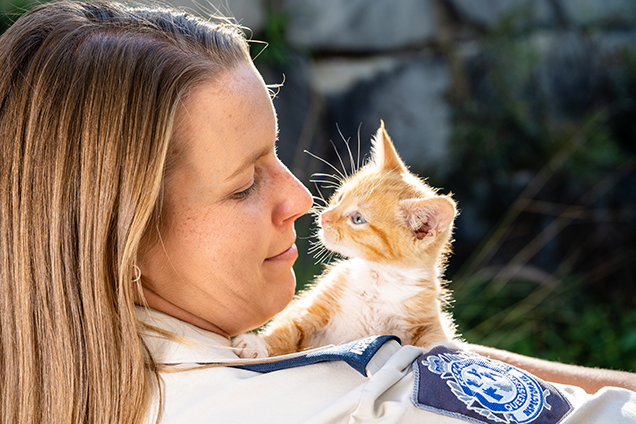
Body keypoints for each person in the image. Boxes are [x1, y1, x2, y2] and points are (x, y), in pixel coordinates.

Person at [0, 2, 634, 423]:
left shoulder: (67, 374)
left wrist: (421, 355)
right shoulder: (337, 401)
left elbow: (425, 364)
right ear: (124, 235)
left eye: (276, 155)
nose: (302, 199)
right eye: (245, 182)